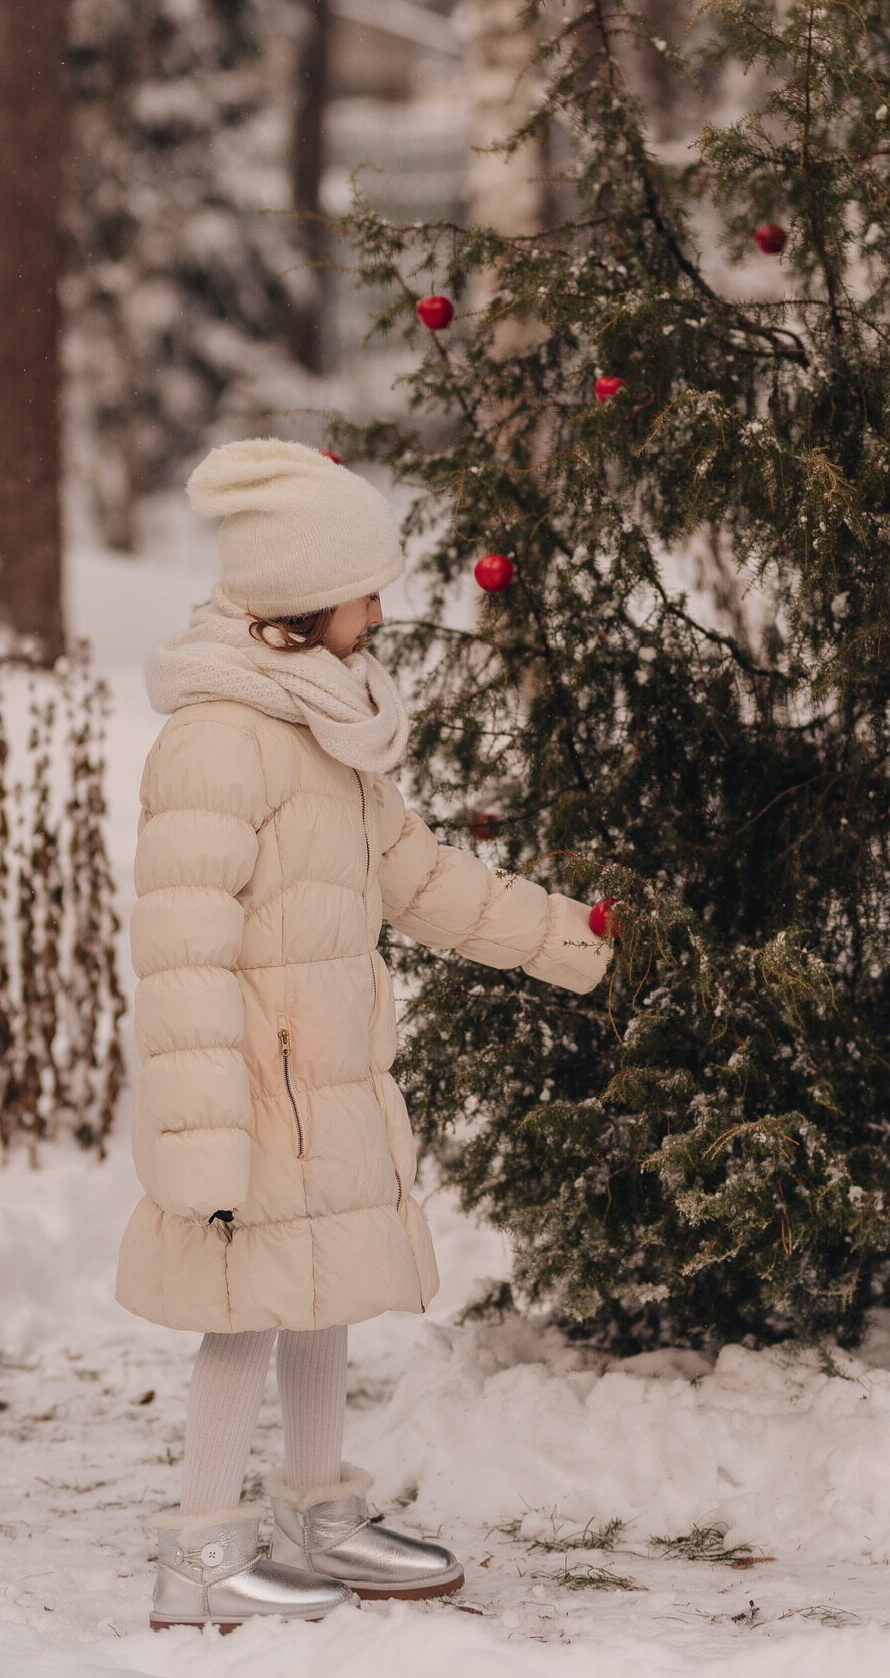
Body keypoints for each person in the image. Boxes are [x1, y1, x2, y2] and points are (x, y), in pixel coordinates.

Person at [116, 438, 611, 1629]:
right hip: (252, 1090)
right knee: (243, 1311)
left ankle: (315, 1517)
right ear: (304, 597)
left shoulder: (324, 733)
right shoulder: (221, 740)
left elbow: (420, 877)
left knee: (318, 1288)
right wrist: (201, 1146)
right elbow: (181, 955)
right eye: (365, 590)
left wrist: (573, 938)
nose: (382, 612)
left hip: (324, 1075)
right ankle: (200, 1556)